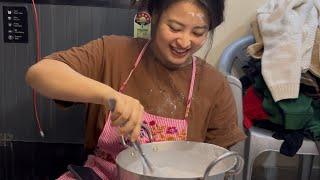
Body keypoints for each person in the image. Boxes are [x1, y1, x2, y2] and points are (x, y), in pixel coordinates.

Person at [25, 0, 246, 179]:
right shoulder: (113, 53)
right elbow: (40, 73)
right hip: (100, 174)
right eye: (175, 28)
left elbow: (218, 161)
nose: (185, 41)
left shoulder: (214, 85)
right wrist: (110, 95)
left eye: (198, 32)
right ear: (154, 16)